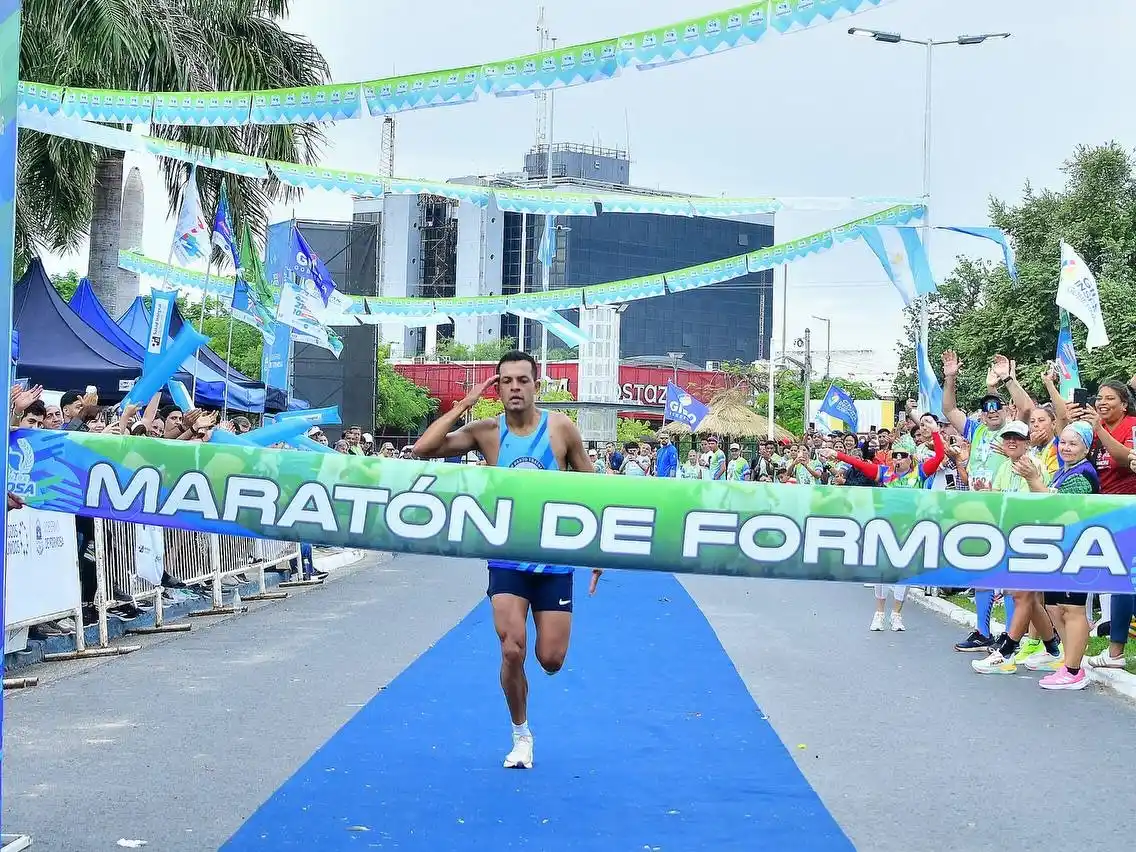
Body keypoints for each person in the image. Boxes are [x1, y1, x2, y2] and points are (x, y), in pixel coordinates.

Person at [412, 350, 602, 770]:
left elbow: (593, 488)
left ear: (537, 384)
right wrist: (463, 404)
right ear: (496, 388)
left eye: (522, 380)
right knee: (511, 649)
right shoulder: (486, 432)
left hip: (554, 559)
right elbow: (423, 449)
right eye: (506, 381)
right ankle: (521, 735)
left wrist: (598, 551)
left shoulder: (561, 428)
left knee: (550, 660)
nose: (515, 387)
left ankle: (530, 704)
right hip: (508, 557)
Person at [821, 428, 945, 632]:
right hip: (885, 528)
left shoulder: (920, 473)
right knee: (882, 573)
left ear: (910, 458)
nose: (897, 460)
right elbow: (859, 464)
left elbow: (940, 455)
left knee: (903, 574)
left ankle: (896, 614)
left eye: (902, 456)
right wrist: (837, 455)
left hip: (909, 530)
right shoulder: (884, 473)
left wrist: (934, 433)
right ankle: (879, 613)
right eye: (894, 456)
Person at [1020, 421, 1100, 689]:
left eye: (1073, 443)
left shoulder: (1083, 474)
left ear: (1086, 449)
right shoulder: (1064, 472)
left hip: (1077, 549)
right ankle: (1068, 663)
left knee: (1073, 608)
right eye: (1063, 442)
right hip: (1058, 549)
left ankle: (1075, 669)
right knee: (1054, 606)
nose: (1065, 448)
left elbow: (1062, 508)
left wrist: (1033, 479)